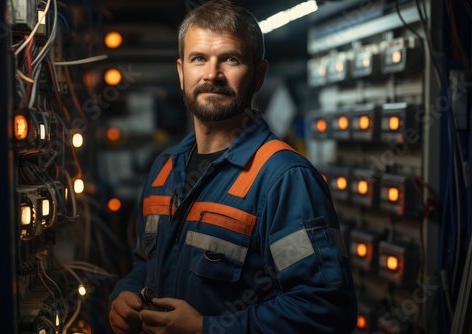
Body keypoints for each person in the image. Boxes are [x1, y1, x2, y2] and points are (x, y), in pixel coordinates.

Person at [108, 0, 357, 333]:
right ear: (182, 72)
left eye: (230, 59)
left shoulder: (284, 179)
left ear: (258, 75)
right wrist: (126, 293)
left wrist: (206, 329)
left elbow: (325, 309)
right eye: (199, 59)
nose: (213, 74)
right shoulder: (164, 170)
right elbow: (147, 263)